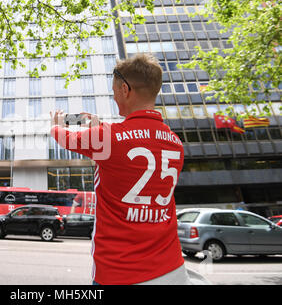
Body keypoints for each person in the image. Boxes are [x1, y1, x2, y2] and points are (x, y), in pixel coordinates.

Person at [50, 53, 192, 285]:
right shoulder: (175, 142)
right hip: (171, 268)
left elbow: (64, 137)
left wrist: (56, 124)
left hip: (120, 273)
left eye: (114, 90)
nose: (114, 96)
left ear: (125, 89)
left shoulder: (109, 137)